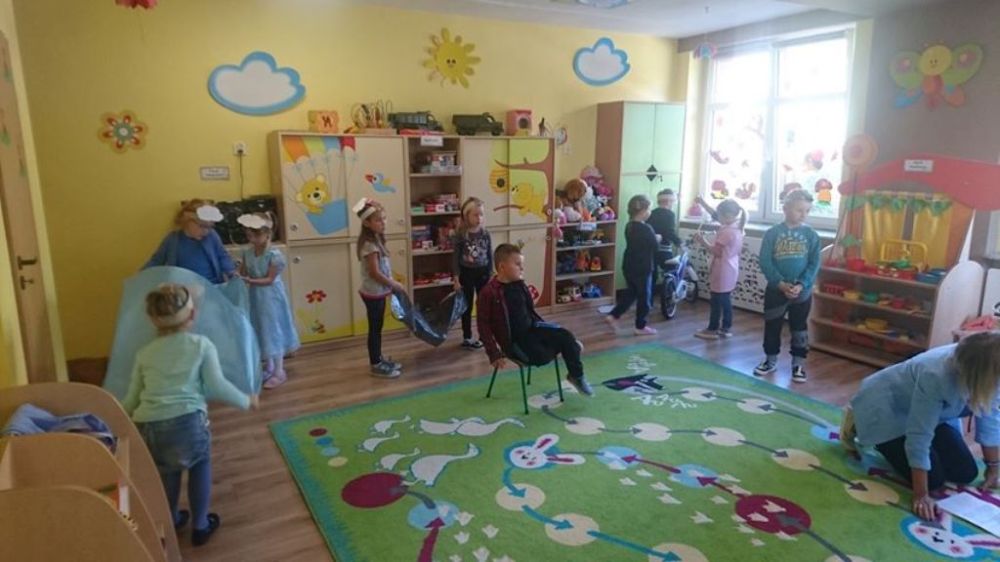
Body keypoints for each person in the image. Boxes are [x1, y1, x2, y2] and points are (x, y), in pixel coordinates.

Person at [122, 283, 257, 547]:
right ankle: (200, 525)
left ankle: (171, 518)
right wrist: (246, 400)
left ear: (152, 319)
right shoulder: (201, 345)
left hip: (150, 426)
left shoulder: (144, 353)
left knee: (167, 471)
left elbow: (132, 398)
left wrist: (115, 420)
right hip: (188, 422)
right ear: (193, 315)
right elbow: (217, 385)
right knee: (199, 466)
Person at [843, 332, 1000, 521]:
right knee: (933, 481)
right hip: (887, 408)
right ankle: (858, 419)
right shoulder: (936, 375)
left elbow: (990, 415)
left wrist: (993, 467)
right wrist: (921, 495)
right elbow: (919, 436)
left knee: (965, 472)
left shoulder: (990, 370)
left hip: (931, 412)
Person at [478, 244, 593, 396]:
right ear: (502, 267)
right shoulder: (489, 292)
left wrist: (548, 331)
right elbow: (483, 325)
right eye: (517, 264)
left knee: (566, 335)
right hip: (514, 341)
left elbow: (530, 312)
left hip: (533, 328)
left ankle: (576, 376)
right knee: (542, 357)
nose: (522, 268)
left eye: (522, 264)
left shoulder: (520, 285)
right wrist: (493, 353)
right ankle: (571, 349)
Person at [754, 189, 820, 383]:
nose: (803, 214)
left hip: (802, 293)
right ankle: (770, 360)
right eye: (799, 210)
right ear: (785, 209)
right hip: (776, 291)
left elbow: (814, 263)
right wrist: (780, 283)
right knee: (772, 326)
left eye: (807, 211)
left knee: (799, 328)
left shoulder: (811, 235)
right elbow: (765, 261)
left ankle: (798, 364)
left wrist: (802, 284)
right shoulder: (772, 233)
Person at [238, 212, 300, 389]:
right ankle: (270, 366)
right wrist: (237, 275)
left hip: (270, 296)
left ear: (267, 234)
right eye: (249, 235)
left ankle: (279, 371)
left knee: (273, 329)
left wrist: (250, 280)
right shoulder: (248, 253)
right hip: (256, 296)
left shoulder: (274, 255)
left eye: (256, 235)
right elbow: (243, 272)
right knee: (261, 328)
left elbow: (269, 279)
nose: (252, 239)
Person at [355, 198, 406, 378]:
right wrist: (394, 284)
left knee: (377, 328)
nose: (383, 223)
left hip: (378, 292)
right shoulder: (369, 245)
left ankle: (378, 359)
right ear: (366, 223)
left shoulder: (376, 239)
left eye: (384, 218)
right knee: (375, 329)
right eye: (378, 220)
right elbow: (375, 273)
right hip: (373, 293)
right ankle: (376, 364)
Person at [144, 199, 236, 284]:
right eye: (202, 226)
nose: (206, 231)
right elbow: (156, 261)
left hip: (212, 286)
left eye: (210, 227)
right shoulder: (173, 240)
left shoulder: (211, 236)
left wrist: (231, 271)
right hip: (184, 288)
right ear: (187, 222)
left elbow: (222, 256)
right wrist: (143, 276)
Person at [606, 194, 660, 336]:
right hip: (643, 267)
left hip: (629, 265)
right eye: (649, 209)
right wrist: (657, 238)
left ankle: (614, 315)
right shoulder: (646, 228)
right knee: (644, 298)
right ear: (643, 211)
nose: (650, 212)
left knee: (631, 293)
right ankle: (640, 326)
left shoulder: (629, 226)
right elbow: (655, 246)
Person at [692, 198, 745, 339]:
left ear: (727, 215)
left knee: (716, 301)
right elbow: (715, 214)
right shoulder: (737, 227)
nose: (717, 217)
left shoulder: (727, 231)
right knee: (725, 299)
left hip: (722, 269)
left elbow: (717, 252)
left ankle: (712, 329)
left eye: (719, 215)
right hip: (730, 268)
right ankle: (726, 328)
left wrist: (702, 241)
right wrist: (703, 203)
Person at [452, 197, 493, 350]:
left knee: (483, 307)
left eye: (481, 214)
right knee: (467, 307)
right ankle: (467, 336)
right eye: (475, 215)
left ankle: (483, 337)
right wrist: (456, 279)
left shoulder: (485, 233)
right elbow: (455, 258)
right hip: (466, 273)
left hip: (483, 273)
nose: (479, 218)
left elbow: (490, 254)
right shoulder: (461, 234)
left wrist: (491, 273)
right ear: (466, 216)